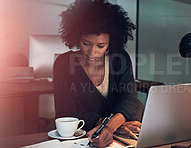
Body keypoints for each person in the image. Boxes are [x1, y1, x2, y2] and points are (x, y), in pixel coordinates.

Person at [54, 0, 144, 147]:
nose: (92, 52)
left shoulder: (120, 59)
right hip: (83, 140)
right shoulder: (63, 64)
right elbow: (67, 113)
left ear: (112, 41)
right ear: (76, 37)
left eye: (101, 46)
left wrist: (109, 127)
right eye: (86, 43)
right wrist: (113, 125)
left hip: (118, 140)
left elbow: (131, 101)